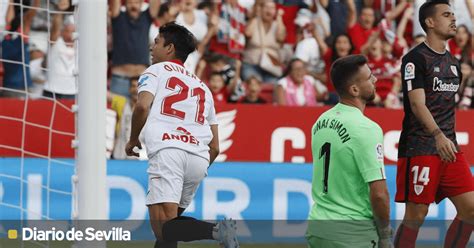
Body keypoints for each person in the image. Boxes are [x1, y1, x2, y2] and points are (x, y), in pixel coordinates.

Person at [125, 22, 239, 248]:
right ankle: (218, 231)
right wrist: (198, 163)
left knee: (163, 229)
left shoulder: (154, 71)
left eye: (156, 42)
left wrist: (133, 139)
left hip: (168, 152)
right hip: (198, 158)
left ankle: (217, 231)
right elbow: (215, 146)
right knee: (170, 228)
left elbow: (141, 107)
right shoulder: (203, 87)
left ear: (169, 48)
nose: (151, 47)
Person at [394, 1, 474, 247]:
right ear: (429, 22)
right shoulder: (414, 59)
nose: (454, 19)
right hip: (421, 147)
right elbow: (417, 105)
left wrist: (445, 139)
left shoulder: (453, 62)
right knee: (416, 216)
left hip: (449, 148)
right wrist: (438, 135)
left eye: (454, 14)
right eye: (447, 14)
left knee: (471, 209)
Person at [306, 54, 392, 248]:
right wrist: (385, 235)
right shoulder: (367, 128)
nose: (375, 80)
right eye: (370, 77)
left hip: (318, 228)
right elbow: (379, 194)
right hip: (352, 234)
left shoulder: (320, 121)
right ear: (354, 89)